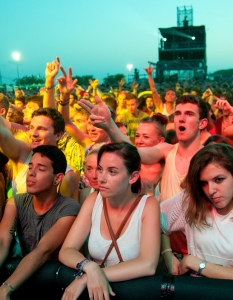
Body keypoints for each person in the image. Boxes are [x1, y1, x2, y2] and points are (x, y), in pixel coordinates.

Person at [59, 142, 160, 300]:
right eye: (100, 169)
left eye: (112, 172)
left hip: (132, 294)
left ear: (133, 177)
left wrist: (87, 277)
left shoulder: (148, 205)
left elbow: (148, 264)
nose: (101, 178)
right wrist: (90, 267)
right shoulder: (94, 200)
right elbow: (67, 250)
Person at [0, 145, 80, 299]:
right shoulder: (16, 202)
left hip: (58, 284)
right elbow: (3, 240)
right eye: (30, 167)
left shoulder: (69, 207)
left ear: (57, 178)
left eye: (41, 169)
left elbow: (43, 250)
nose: (31, 173)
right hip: (26, 276)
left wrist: (6, 287)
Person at [160, 143, 233, 278]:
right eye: (204, 183)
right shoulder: (191, 201)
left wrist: (198, 264)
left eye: (219, 179)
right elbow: (155, 221)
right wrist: (167, 253)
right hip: (195, 291)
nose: (211, 191)